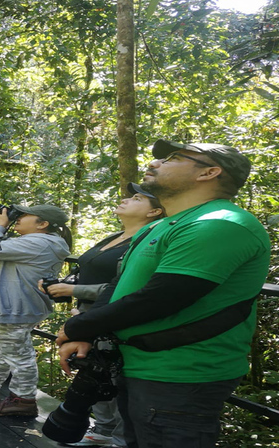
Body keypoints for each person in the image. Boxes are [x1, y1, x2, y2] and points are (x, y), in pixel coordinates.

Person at [56, 140, 270, 448]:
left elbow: (163, 297)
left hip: (181, 374)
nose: (155, 163)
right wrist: (87, 332)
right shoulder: (159, 226)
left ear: (209, 173)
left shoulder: (220, 222)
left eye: (173, 158)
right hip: (136, 363)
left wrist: (77, 326)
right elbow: (121, 284)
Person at [41, 183, 164, 448]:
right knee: (94, 375)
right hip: (88, 315)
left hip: (114, 318)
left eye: (137, 198)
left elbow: (130, 286)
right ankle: (104, 430)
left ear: (154, 212)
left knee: (116, 379)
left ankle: (120, 439)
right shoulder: (115, 236)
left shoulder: (148, 240)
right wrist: (73, 298)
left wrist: (74, 289)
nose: (126, 199)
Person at [0, 203, 72, 416]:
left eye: (25, 215)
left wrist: (0, 226)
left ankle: (24, 400)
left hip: (18, 306)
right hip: (17, 305)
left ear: (43, 224)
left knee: (19, 355)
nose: (18, 217)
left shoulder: (40, 242)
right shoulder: (39, 241)